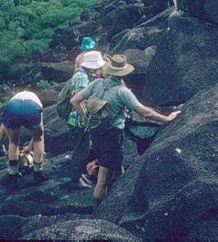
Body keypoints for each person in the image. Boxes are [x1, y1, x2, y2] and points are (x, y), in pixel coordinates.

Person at [71, 54, 181, 209]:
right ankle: (98, 213)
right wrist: (167, 118)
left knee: (116, 163)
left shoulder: (96, 83)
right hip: (112, 136)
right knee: (103, 178)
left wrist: (86, 117)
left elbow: (74, 100)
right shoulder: (122, 92)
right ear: (123, 73)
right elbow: (145, 113)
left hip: (96, 133)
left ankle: (120, 190)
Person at [67, 50, 105, 189]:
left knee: (81, 148)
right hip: (79, 120)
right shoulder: (82, 77)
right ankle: (75, 180)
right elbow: (78, 100)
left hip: (75, 119)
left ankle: (77, 175)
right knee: (81, 150)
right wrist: (85, 118)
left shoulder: (80, 73)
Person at [0, 90, 46, 183]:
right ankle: (38, 171)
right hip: (31, 108)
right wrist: (30, 147)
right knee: (39, 139)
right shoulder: (37, 102)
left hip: (13, 109)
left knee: (13, 141)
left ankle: (13, 174)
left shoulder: (13, 101)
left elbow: (3, 128)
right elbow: (38, 133)